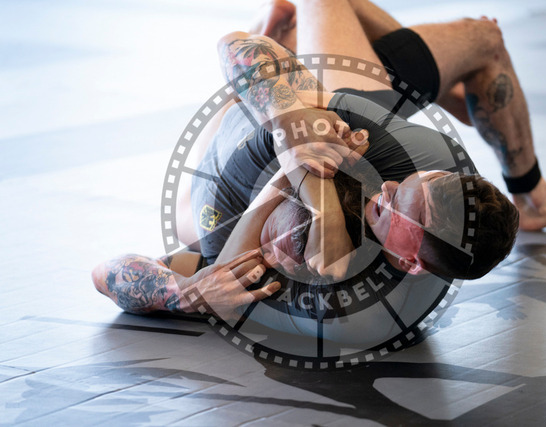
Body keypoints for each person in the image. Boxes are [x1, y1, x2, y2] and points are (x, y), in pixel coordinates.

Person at [92, 24, 519, 325]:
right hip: (289, 122)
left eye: (395, 204)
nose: (387, 191)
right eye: (402, 187)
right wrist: (289, 133)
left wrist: (184, 296)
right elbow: (235, 45)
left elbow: (104, 275)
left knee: (199, 233)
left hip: (212, 193)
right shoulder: (383, 161)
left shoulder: (334, 300)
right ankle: (532, 190)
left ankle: (281, 31)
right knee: (481, 38)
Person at [258, 0, 546, 231]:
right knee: (486, 40)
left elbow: (238, 44)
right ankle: (532, 195)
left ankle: (453, 92)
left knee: (306, 16)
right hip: (347, 113)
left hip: (338, 113)